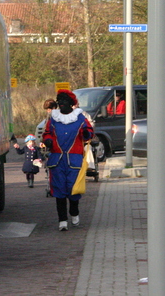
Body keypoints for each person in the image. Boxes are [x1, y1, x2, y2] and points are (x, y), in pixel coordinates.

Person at [43, 89, 94, 231]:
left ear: (71, 104)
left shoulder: (80, 118)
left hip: (74, 159)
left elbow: (89, 133)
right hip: (57, 159)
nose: (62, 105)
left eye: (65, 102)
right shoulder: (53, 118)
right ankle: (62, 220)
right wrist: (47, 141)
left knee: (73, 189)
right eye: (60, 102)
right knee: (59, 190)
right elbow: (47, 133)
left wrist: (86, 133)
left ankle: (74, 213)